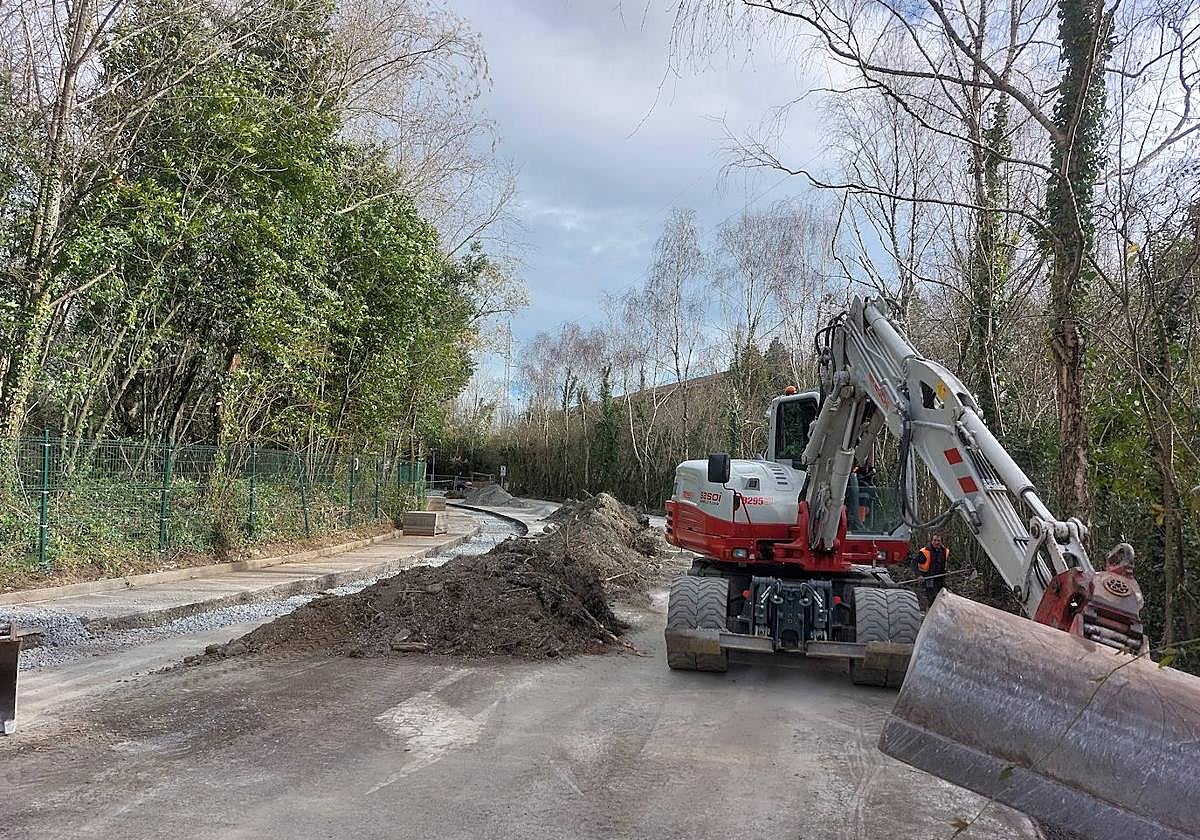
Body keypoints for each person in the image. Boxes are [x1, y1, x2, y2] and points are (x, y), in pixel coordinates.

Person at [915, 533, 950, 606]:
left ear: (941, 542)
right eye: (935, 540)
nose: (936, 542)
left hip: (940, 578)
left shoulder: (944, 551)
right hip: (928, 578)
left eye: (938, 541)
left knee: (942, 597)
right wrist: (919, 575)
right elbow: (914, 563)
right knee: (932, 598)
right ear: (931, 541)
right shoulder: (925, 552)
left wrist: (947, 570)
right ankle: (931, 611)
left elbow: (945, 563)